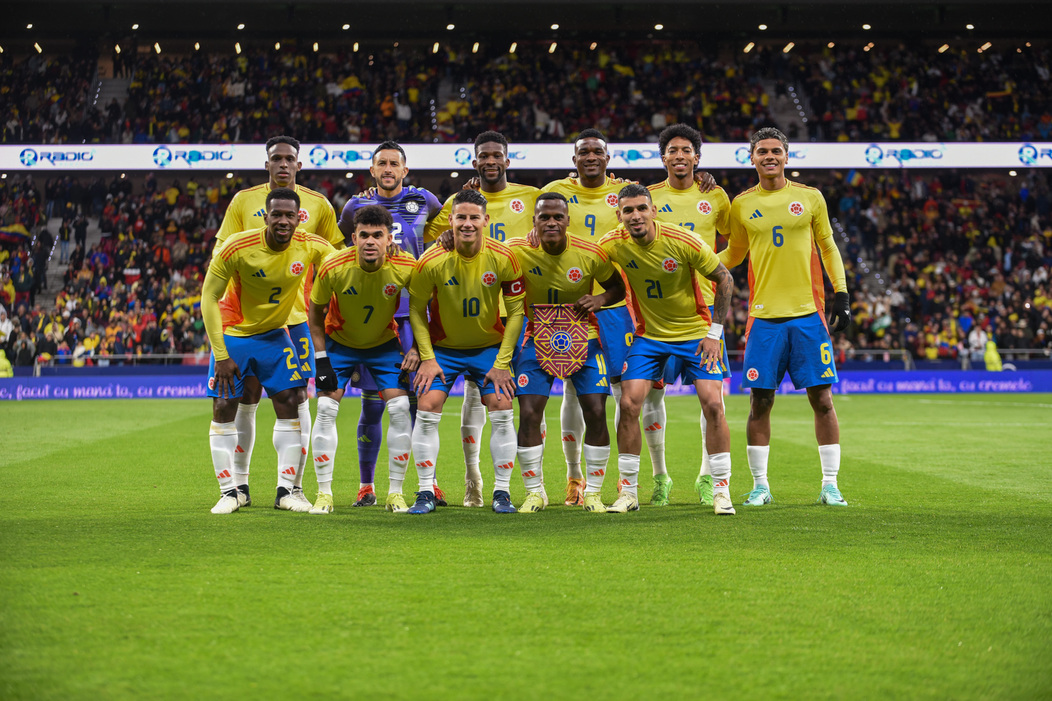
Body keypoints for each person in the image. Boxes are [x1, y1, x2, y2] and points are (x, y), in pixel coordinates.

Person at [720, 127, 851, 507]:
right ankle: (760, 485)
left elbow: (827, 245)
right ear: (752, 158)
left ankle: (830, 484)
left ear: (787, 157)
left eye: (776, 150)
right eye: (762, 151)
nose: (769, 156)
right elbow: (734, 254)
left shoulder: (810, 198)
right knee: (760, 402)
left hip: (808, 316)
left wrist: (840, 293)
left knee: (823, 400)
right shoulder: (742, 205)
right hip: (763, 318)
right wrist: (698, 266)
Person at [213, 135, 344, 510]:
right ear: (267, 164)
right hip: (250, 321)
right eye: (277, 158)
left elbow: (333, 259)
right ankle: (239, 486)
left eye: (290, 159)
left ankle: (292, 488)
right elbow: (222, 253)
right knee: (247, 397)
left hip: (299, 317)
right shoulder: (243, 201)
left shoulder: (318, 205)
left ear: (299, 165)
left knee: (296, 399)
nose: (283, 164)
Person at [599, 184, 737, 515]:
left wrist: (715, 333)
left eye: (641, 208)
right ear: (619, 216)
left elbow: (725, 279)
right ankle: (629, 492)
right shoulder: (611, 244)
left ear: (653, 210)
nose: (635, 216)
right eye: (628, 211)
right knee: (629, 404)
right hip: (650, 337)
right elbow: (578, 257)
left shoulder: (682, 240)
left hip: (695, 333)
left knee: (714, 405)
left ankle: (721, 490)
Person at [425, 131, 541, 507]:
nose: (490, 161)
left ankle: (546, 481)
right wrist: (444, 236)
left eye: (497, 155)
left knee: (519, 405)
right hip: (464, 316)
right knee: (471, 406)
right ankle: (472, 479)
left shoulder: (532, 195)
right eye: (483, 156)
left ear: (507, 159)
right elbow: (432, 238)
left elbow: (561, 211)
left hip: (512, 319)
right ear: (474, 162)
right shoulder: (455, 204)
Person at [406, 189, 526, 514]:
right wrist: (427, 358)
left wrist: (503, 363)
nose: (468, 223)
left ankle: (501, 492)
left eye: (475, 217)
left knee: (502, 408)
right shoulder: (431, 260)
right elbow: (416, 310)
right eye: (462, 217)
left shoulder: (503, 257)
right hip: (443, 349)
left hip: (487, 347)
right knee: (427, 407)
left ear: (486, 220)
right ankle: (424, 491)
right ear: (451, 219)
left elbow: (516, 313)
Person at [338, 140, 443, 508]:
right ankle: (366, 485)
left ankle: (427, 483)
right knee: (372, 404)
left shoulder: (425, 201)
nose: (387, 168)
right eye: (380, 163)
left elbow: (446, 232)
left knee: (419, 402)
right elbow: (344, 253)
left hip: (413, 313)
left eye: (393, 163)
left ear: (404, 169)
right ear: (372, 170)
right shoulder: (355, 206)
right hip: (374, 315)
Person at [509, 193, 624, 512]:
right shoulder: (517, 250)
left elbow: (617, 288)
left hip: (585, 338)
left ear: (568, 221)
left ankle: (593, 492)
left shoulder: (590, 253)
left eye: (558, 217)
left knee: (597, 411)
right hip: (536, 338)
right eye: (544, 216)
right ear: (534, 221)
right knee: (530, 413)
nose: (551, 222)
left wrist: (600, 300)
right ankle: (535, 492)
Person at [540, 128, 635, 507]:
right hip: (571, 307)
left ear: (608, 158)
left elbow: (658, 201)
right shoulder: (556, 190)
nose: (591, 156)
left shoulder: (626, 191)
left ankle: (619, 478)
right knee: (571, 389)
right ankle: (575, 477)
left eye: (598, 150)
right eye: (584, 152)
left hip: (615, 304)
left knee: (619, 392)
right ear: (574, 159)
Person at [307, 205, 418, 514]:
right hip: (340, 344)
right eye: (364, 235)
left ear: (388, 238)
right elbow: (314, 316)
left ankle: (395, 493)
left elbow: (424, 309)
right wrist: (321, 360)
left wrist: (419, 349)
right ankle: (324, 495)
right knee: (326, 409)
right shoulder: (333, 266)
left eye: (377, 235)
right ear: (353, 237)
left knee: (399, 409)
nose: (370, 241)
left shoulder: (406, 265)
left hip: (383, 344)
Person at [647, 124, 733, 507]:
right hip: (656, 314)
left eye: (687, 151)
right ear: (663, 157)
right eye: (673, 150)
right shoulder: (647, 197)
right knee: (650, 398)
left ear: (697, 158)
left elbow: (737, 239)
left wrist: (716, 271)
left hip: (703, 315)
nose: (680, 156)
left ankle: (705, 477)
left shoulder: (715, 196)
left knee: (712, 399)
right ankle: (660, 476)